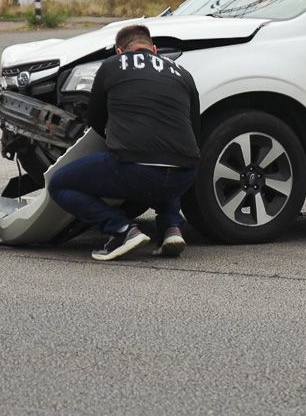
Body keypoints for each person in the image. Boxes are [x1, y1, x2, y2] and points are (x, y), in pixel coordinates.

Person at [47, 24, 200, 261]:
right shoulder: (183, 73)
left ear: (120, 51)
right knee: (166, 155)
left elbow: (96, 121)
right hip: (185, 175)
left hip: (135, 170)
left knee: (59, 184)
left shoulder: (111, 66)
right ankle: (171, 228)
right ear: (155, 50)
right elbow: (194, 128)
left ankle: (122, 230)